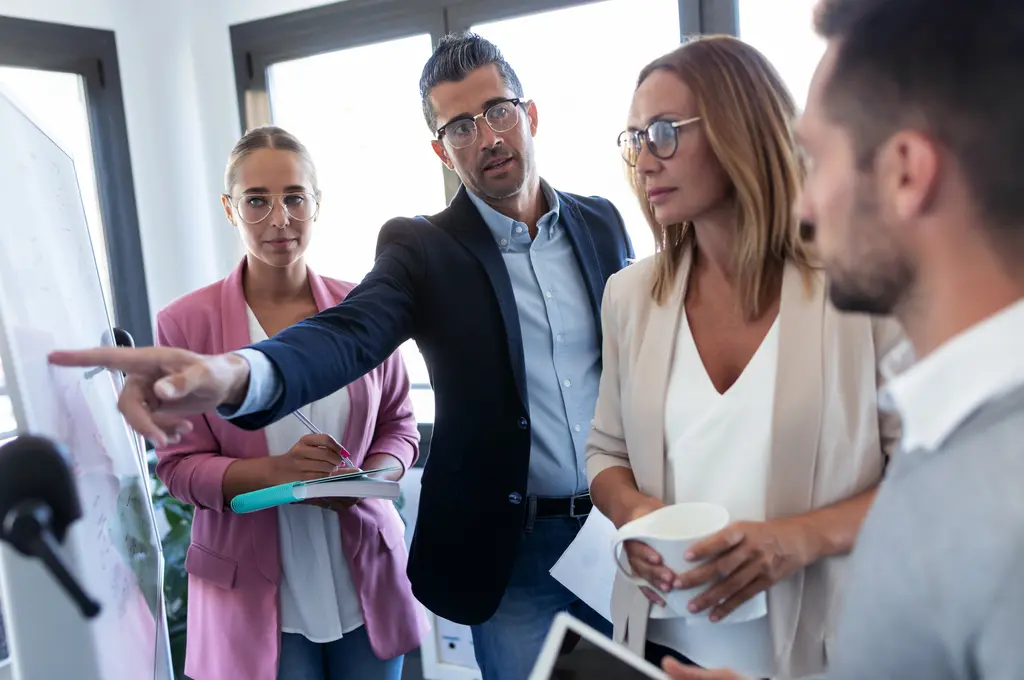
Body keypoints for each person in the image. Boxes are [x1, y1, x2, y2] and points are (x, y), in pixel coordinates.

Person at [49, 33, 634, 680]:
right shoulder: (422, 249)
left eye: (499, 111)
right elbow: (346, 334)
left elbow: (633, 367)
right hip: (510, 554)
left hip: (614, 532)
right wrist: (232, 373)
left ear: (529, 114)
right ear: (441, 149)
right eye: (460, 126)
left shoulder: (601, 223)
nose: (488, 137)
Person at [660, 0, 1024, 679]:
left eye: (817, 159)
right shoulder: (948, 438)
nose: (803, 205)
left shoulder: (1002, 500)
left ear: (906, 174)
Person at [585, 36, 904, 680]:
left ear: (743, 128)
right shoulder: (631, 296)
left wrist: (797, 539)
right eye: (634, 138)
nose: (644, 160)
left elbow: (929, 474)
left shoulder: (863, 287)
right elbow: (605, 454)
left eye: (665, 132)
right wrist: (636, 517)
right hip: (663, 640)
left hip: (827, 645)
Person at [151, 126, 426, 680]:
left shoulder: (364, 307)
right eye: (257, 200)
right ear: (231, 209)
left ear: (317, 204)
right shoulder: (184, 324)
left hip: (363, 576)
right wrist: (276, 474)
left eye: (295, 197)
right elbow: (178, 469)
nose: (279, 218)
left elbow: (400, 424)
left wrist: (367, 478)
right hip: (252, 593)